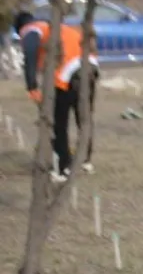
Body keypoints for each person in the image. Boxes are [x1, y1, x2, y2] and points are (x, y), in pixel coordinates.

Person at [14, 9, 99, 182]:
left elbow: (30, 54)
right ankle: (85, 160)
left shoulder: (31, 29)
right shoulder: (54, 26)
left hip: (67, 74)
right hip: (90, 66)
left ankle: (63, 168)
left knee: (59, 122)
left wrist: (31, 86)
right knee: (84, 117)